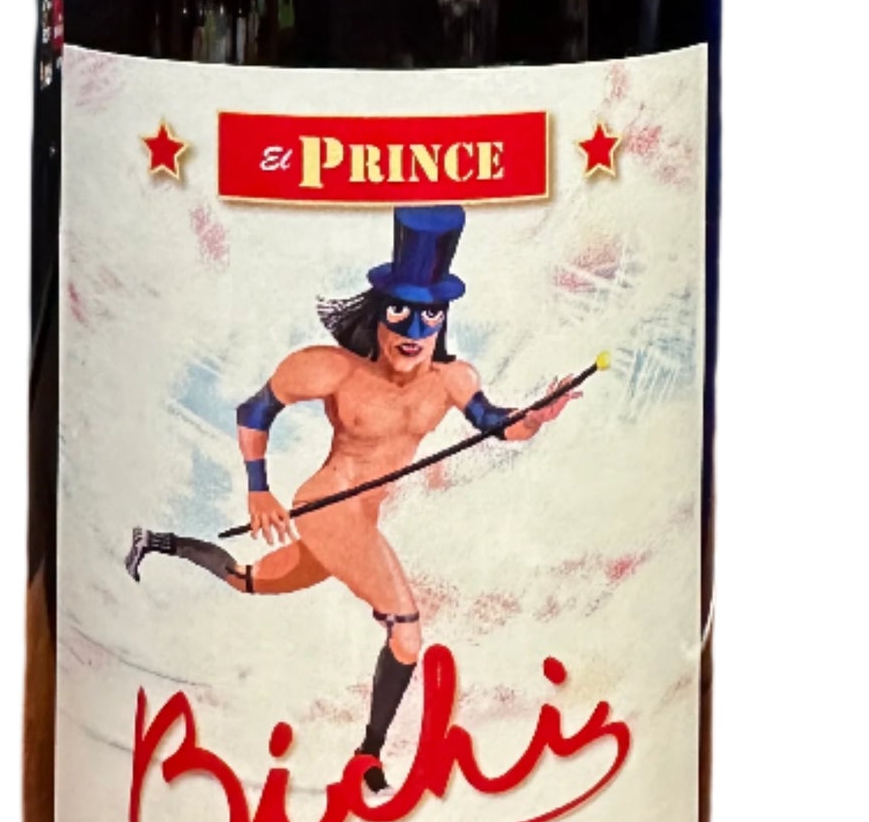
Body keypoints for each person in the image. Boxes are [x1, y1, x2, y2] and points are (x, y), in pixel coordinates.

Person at [126, 204, 578, 790]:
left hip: (358, 520)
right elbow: (254, 411)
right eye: (401, 314)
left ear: (443, 319)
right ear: (379, 313)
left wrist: (537, 416)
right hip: (328, 503)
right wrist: (259, 489)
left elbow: (498, 425)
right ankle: (369, 756)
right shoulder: (334, 370)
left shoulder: (453, 381)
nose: (413, 333)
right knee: (406, 631)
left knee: (247, 580)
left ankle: (157, 542)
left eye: (429, 316)